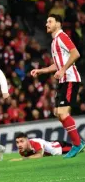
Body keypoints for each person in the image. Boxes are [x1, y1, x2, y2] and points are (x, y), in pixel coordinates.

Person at [30, 14, 84, 158]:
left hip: (70, 79)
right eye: (46, 21)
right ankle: (79, 142)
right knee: (58, 113)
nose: (47, 24)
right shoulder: (54, 41)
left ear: (58, 24)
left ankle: (77, 144)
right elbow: (57, 64)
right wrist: (42, 70)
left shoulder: (62, 37)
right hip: (63, 81)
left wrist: (63, 70)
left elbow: (75, 53)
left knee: (62, 113)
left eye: (50, 21)